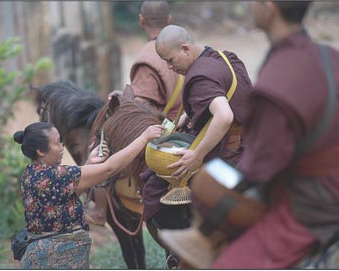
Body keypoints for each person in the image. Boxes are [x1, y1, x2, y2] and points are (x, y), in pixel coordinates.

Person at [160, 1, 339, 269]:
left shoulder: (276, 82)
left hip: (311, 206)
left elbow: (259, 171)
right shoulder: (331, 57)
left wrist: (204, 182)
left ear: (269, 7)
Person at [141, 23, 253, 252]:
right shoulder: (223, 57)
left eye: (171, 60)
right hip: (252, 142)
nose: (170, 68)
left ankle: (183, 255)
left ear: (185, 49)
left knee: (153, 189)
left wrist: (196, 155)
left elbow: (223, 116)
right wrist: (191, 117)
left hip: (227, 155)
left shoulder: (200, 76)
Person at [13, 121, 163, 269]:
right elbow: (109, 169)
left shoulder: (32, 172)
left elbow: (66, 196)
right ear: (40, 151)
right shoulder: (55, 175)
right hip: (58, 260)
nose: (61, 147)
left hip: (47, 257)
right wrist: (144, 138)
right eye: (57, 143)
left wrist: (89, 163)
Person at [86, 1, 182, 226]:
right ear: (168, 20)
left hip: (162, 134)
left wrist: (123, 101)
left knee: (97, 145)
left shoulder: (148, 58)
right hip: (184, 124)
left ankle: (100, 211)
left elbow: (141, 111)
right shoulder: (181, 45)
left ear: (141, 20)